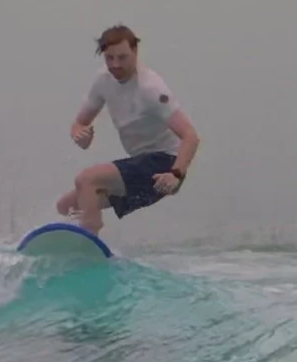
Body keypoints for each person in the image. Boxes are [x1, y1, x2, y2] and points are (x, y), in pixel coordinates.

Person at [56, 25, 201, 234]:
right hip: (141, 166)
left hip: (165, 165)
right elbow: (80, 123)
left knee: (86, 179)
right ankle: (77, 239)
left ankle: (89, 239)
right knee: (67, 206)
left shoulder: (151, 89)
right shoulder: (103, 81)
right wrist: (81, 136)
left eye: (122, 57)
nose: (116, 65)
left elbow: (190, 136)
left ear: (135, 52)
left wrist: (175, 174)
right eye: (110, 58)